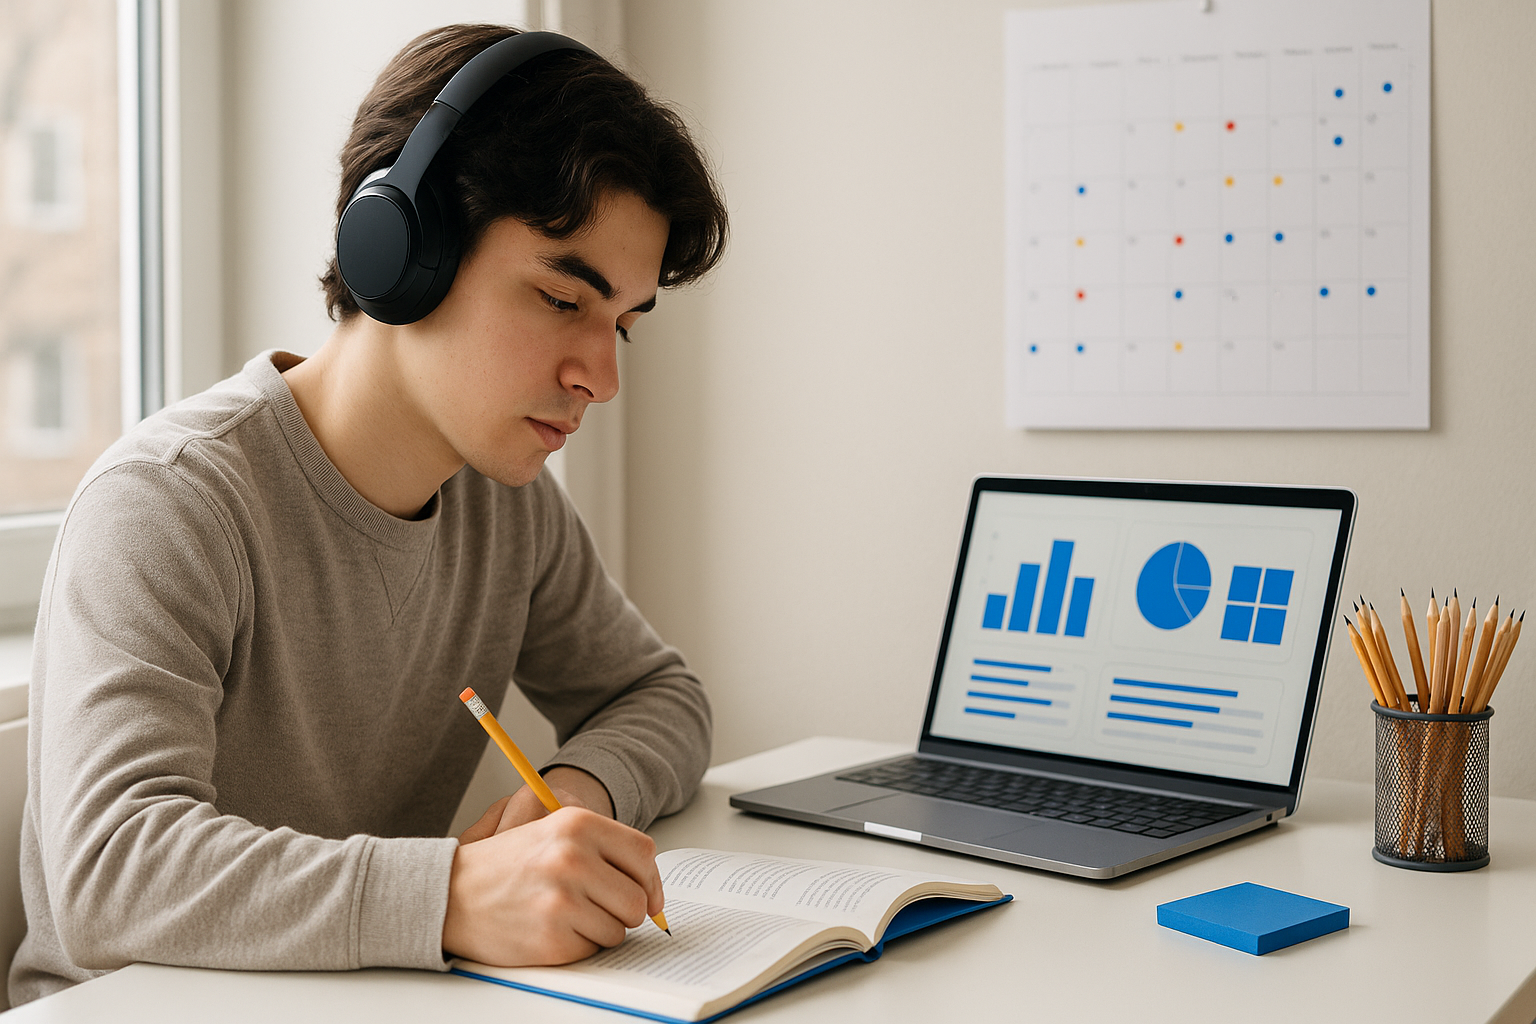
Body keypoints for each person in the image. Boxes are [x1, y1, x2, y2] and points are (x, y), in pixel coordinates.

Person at [9, 23, 728, 1006]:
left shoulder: (507, 509)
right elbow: (113, 872)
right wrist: (453, 895)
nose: (599, 378)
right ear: (402, 249)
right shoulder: (173, 498)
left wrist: (572, 794)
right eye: (566, 300)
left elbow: (660, 696)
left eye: (623, 327)